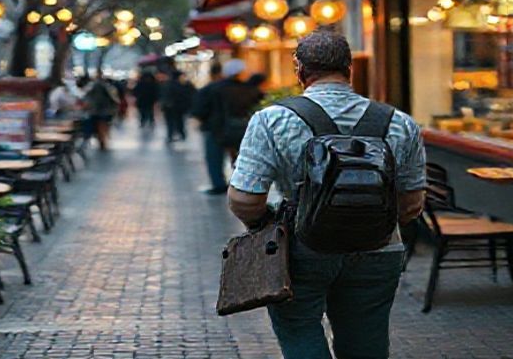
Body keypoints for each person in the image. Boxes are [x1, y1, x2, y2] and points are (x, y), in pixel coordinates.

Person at [227, 29, 426, 359]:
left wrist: (268, 222)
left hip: (302, 248)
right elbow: (411, 204)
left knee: (299, 329)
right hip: (378, 248)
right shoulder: (400, 123)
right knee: (366, 341)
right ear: (350, 69)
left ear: (300, 71)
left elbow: (244, 200)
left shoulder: (272, 120)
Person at [191, 61, 228, 194]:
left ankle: (218, 184)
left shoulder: (207, 89)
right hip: (235, 127)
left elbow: (199, 110)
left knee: (214, 158)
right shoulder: (232, 87)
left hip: (213, 128)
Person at [81, 73, 119, 150]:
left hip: (95, 111)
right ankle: (103, 141)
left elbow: (85, 97)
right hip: (105, 110)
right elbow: (114, 99)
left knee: (99, 127)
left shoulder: (91, 86)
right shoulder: (107, 87)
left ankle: (102, 141)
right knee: (102, 126)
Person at [161, 70, 195, 143]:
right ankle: (181, 134)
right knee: (179, 121)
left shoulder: (168, 84)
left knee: (171, 122)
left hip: (169, 107)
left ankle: (171, 135)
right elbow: (189, 95)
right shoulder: (183, 85)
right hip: (178, 107)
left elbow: (164, 96)